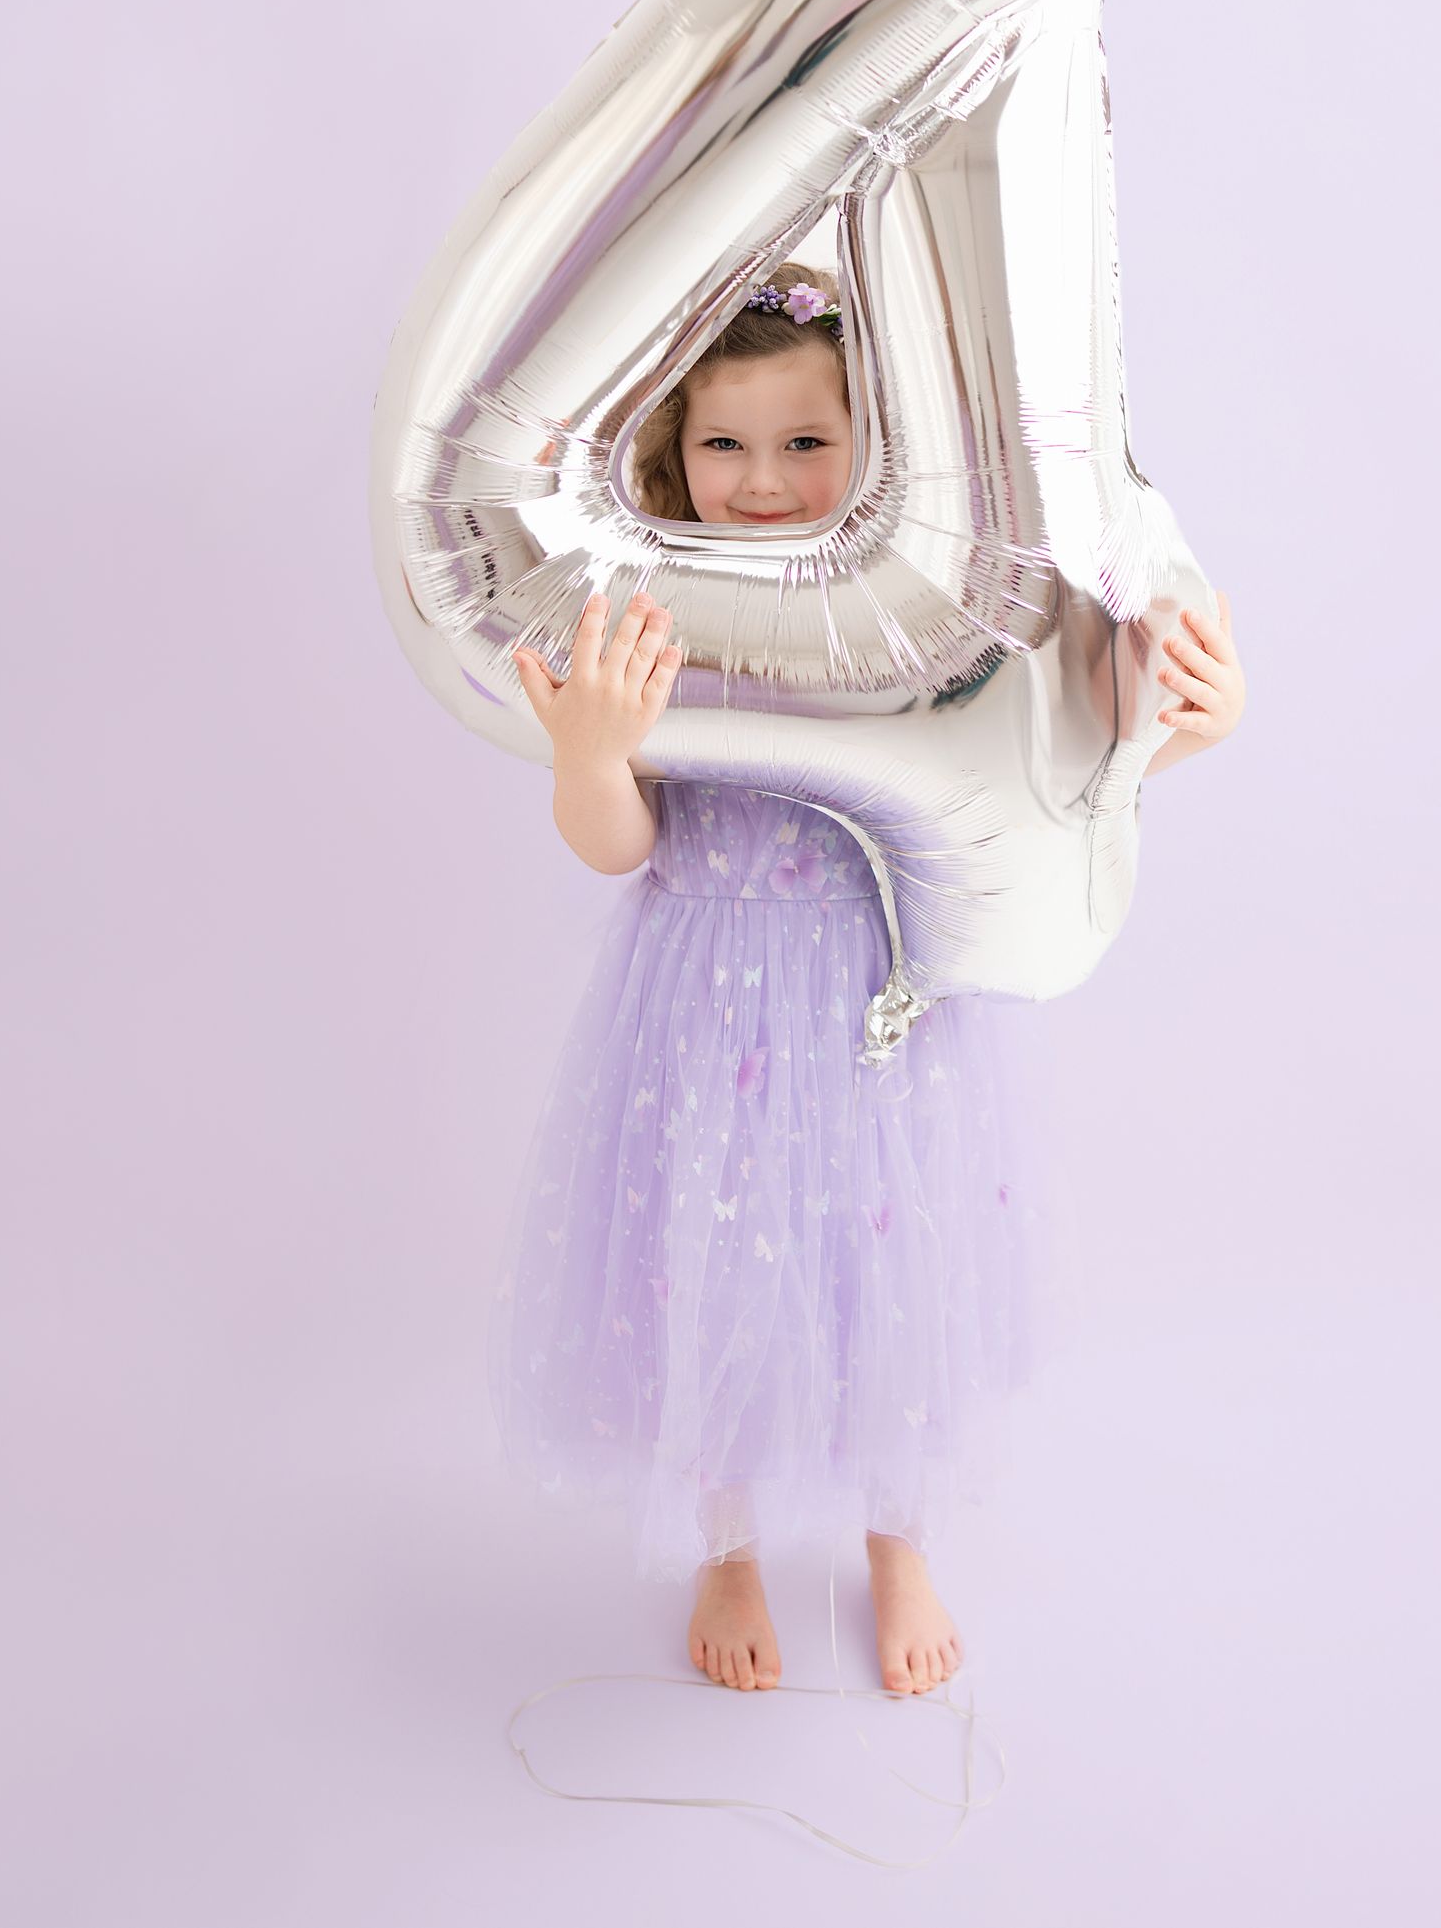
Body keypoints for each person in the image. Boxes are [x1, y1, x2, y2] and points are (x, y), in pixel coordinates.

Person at [490, 263, 1245, 1696]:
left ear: (873, 447)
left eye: (805, 440)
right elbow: (619, 844)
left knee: (893, 1268)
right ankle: (726, 1542)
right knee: (712, 1268)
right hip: (706, 994)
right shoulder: (654, 609)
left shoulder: (934, 612)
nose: (763, 479)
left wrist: (1189, 724)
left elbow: (1058, 772)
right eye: (724, 443)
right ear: (671, 454)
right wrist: (590, 754)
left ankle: (901, 1542)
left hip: (881, 989)